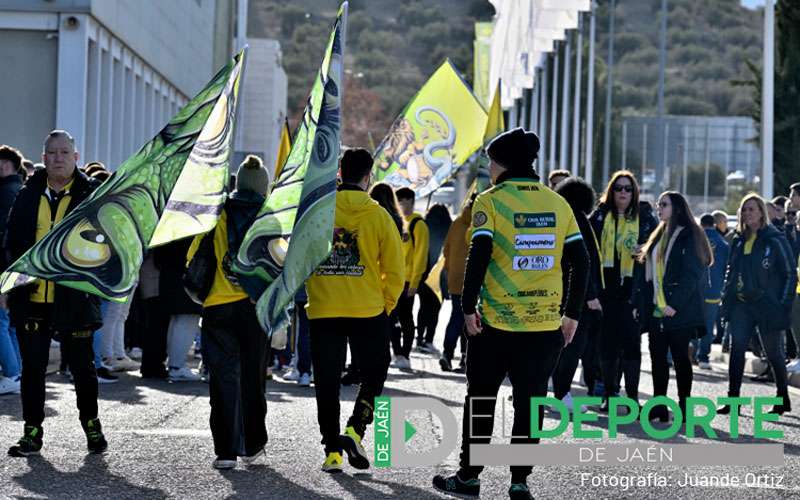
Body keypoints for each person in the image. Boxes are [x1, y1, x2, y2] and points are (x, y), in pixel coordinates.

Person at [432, 128, 588, 500]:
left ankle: (469, 478)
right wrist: (572, 315)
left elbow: (479, 256)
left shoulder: (489, 201)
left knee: (482, 399)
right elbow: (580, 262)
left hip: (494, 323)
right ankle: (519, 481)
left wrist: (467, 307)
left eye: (490, 161)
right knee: (530, 402)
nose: (488, 167)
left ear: (502, 164)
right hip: (545, 323)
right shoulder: (558, 203)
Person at [6, 130, 106, 456]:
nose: (59, 158)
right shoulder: (26, 195)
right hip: (32, 297)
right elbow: (12, 245)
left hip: (74, 297)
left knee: (81, 367)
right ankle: (31, 433)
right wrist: (8, 284)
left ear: (76, 158)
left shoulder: (91, 196)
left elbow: (106, 244)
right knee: (33, 368)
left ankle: (91, 425)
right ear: (44, 158)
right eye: (53, 153)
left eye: (65, 152)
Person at [305, 148, 404, 473]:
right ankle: (355, 428)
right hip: (367, 308)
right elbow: (395, 270)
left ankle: (332, 451)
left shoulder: (319, 212)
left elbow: (300, 259)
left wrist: (315, 291)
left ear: (339, 173)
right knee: (376, 370)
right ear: (367, 177)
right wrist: (384, 306)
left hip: (323, 307)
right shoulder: (378, 215)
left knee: (327, 381)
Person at [187, 155, 271, 469]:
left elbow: (194, 256)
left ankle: (224, 451)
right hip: (255, 307)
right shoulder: (269, 216)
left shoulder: (217, 212)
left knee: (222, 378)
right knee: (253, 377)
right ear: (263, 186)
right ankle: (252, 444)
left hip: (218, 306)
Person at [633, 192, 712, 421]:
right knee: (657, 359)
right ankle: (659, 407)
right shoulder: (659, 232)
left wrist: (674, 304)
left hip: (680, 309)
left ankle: (685, 407)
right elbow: (647, 273)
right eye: (659, 204)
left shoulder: (690, 234)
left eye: (664, 205)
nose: (659, 208)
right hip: (657, 306)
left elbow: (692, 274)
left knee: (680, 358)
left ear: (677, 208)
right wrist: (642, 303)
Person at [719, 194, 796, 415]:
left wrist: (782, 304)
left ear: (762, 212)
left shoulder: (775, 238)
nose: (747, 213)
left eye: (751, 209)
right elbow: (731, 271)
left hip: (767, 305)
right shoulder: (738, 238)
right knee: (736, 352)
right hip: (741, 305)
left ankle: (782, 398)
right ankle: (733, 402)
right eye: (744, 210)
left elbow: (790, 274)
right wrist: (728, 299)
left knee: (774, 354)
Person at [589, 170, 657, 412]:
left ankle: (632, 398)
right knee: (606, 346)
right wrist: (591, 294)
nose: (623, 193)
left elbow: (660, 246)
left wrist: (646, 248)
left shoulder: (646, 217)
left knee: (631, 346)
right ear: (611, 190)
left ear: (634, 192)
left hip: (633, 292)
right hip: (606, 292)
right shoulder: (599, 216)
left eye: (628, 188)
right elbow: (586, 252)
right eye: (618, 188)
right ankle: (609, 393)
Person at [551, 177, 604, 411]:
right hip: (577, 296)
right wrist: (591, 295)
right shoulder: (578, 219)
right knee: (572, 348)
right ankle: (562, 396)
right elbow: (584, 261)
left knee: (560, 348)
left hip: (561, 291)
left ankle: (555, 395)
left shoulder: (563, 217)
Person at [155, 240, 202, 382]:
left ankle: (174, 364)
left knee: (177, 322)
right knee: (186, 322)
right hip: (185, 280)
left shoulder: (170, 229)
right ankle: (177, 366)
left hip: (170, 278)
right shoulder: (189, 231)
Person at [393, 186, 429, 369]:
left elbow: (420, 256)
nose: (400, 206)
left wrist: (415, 282)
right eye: (398, 202)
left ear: (411, 202)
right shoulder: (397, 222)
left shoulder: (418, 224)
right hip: (394, 279)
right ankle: (396, 352)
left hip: (408, 280)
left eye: (404, 202)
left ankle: (405, 354)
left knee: (406, 318)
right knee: (392, 318)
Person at [439, 195, 474, 373]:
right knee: (471, 318)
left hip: (454, 277)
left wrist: (449, 267)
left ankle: (447, 353)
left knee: (456, 316)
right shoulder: (483, 221)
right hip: (475, 279)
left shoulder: (458, 222)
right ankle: (465, 357)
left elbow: (446, 249)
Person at [0, 145, 24, 396]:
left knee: (1, 321)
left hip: (4, 266)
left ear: (5, 164)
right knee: (11, 323)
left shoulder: (6, 193)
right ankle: (17, 372)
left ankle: (11, 373)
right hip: (15, 266)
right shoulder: (20, 190)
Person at [693, 213, 729, 370]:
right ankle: (703, 357)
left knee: (693, 321)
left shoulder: (694, 240)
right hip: (714, 289)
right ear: (714, 224)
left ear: (701, 224)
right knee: (708, 324)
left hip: (695, 290)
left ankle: (692, 353)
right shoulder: (723, 243)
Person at [416, 203, 451, 353]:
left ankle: (419, 339)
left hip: (424, 274)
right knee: (435, 309)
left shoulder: (424, 226)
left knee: (423, 308)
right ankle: (429, 339)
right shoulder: (448, 229)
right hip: (440, 275)